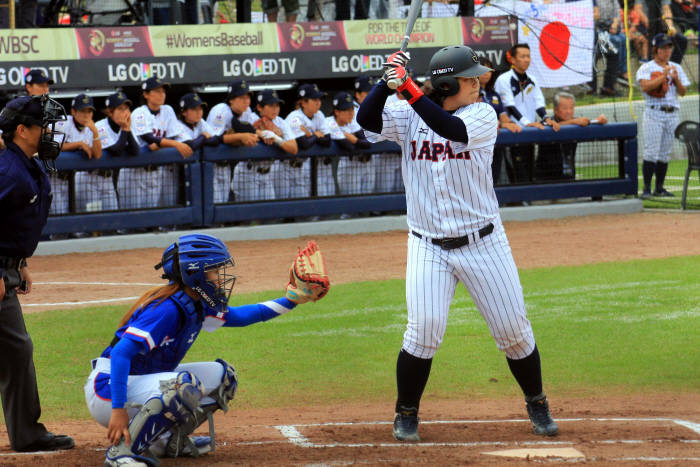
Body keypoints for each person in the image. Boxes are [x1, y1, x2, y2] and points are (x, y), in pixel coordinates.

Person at [357, 45, 558, 442]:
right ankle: (406, 412)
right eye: (469, 79)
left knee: (513, 331)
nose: (479, 83)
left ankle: (536, 401)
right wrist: (385, 82)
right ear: (449, 84)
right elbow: (366, 120)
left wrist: (409, 88)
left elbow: (452, 131)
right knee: (424, 330)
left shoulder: (481, 115)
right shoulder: (407, 113)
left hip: (484, 242)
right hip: (427, 244)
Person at [84, 233, 328, 466]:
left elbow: (242, 316)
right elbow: (120, 354)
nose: (219, 278)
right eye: (214, 271)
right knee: (181, 386)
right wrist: (118, 409)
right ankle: (121, 453)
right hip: (108, 390)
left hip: (140, 384)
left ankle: (168, 443)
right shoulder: (166, 310)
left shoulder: (197, 304)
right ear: (195, 275)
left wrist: (292, 300)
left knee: (223, 378)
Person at [0, 95, 75, 453]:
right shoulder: (8, 170)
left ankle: (27, 433)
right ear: (21, 130)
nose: (50, 133)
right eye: (43, 126)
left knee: (16, 349)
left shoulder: (26, 164)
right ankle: (27, 433)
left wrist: (19, 262)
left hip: (8, 270)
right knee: (15, 348)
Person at [494, 44, 560, 184]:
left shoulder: (533, 79)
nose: (526, 59)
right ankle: (517, 201)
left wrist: (546, 118)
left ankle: (529, 200)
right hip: (512, 132)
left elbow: (539, 103)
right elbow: (509, 106)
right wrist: (525, 122)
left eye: (528, 56)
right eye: (522, 56)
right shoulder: (503, 79)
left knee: (529, 168)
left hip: (530, 131)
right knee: (516, 171)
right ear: (512, 59)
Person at [636, 33, 690, 198]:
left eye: (669, 47)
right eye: (663, 48)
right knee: (651, 152)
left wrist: (675, 79)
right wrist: (663, 76)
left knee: (665, 153)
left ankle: (659, 188)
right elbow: (645, 87)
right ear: (655, 49)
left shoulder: (676, 67)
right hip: (654, 112)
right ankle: (646, 188)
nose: (666, 51)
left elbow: (683, 92)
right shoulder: (646, 67)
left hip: (672, 113)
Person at [131, 77, 190, 209]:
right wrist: (175, 144)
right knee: (133, 219)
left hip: (156, 171)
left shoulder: (167, 110)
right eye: (156, 91)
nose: (161, 94)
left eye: (163, 91)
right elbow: (149, 138)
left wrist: (166, 143)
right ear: (145, 94)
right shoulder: (139, 113)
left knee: (153, 216)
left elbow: (177, 136)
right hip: (135, 172)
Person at [206, 80, 261, 203]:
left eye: (248, 97)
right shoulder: (220, 110)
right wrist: (238, 137)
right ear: (231, 99)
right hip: (211, 166)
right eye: (241, 97)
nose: (246, 101)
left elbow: (252, 132)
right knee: (215, 204)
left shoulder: (247, 112)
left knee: (223, 204)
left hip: (227, 166)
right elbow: (212, 140)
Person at [535, 92, 608, 181]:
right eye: (565, 108)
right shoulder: (547, 122)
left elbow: (592, 121)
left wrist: (600, 119)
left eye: (571, 108)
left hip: (568, 177)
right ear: (555, 110)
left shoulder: (577, 122)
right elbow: (550, 127)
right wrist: (574, 122)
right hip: (545, 178)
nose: (568, 111)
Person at [54, 94, 104, 214]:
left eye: (89, 111)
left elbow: (97, 155)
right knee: (60, 218)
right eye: (82, 111)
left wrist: (95, 133)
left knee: (81, 216)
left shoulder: (92, 127)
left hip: (78, 180)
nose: (86, 115)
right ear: (73, 111)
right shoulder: (63, 122)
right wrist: (79, 144)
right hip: (56, 179)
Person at [477, 56, 521, 186]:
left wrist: (510, 124)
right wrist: (503, 124)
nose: (487, 74)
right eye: (483, 70)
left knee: (495, 175)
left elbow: (504, 116)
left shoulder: (494, 94)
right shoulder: (470, 93)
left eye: (489, 70)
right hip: (479, 143)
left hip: (497, 142)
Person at [282, 84, 330, 197]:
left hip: (301, 167)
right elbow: (303, 144)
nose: (318, 102)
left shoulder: (319, 115)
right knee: (280, 208)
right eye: (314, 99)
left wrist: (311, 135)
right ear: (303, 102)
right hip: (284, 168)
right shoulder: (295, 117)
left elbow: (328, 141)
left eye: (319, 99)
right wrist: (317, 135)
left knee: (301, 203)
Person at [254, 89, 298, 199]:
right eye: (271, 105)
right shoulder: (251, 118)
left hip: (268, 172)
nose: (275, 109)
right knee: (248, 214)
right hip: (248, 171)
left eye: (277, 105)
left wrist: (277, 138)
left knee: (270, 211)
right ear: (260, 107)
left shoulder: (280, 122)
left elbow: (294, 149)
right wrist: (260, 133)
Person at [328, 91, 372, 195]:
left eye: (352, 109)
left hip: (357, 164)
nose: (351, 113)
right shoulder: (330, 123)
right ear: (337, 111)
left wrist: (353, 139)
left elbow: (368, 143)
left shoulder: (351, 122)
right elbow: (350, 147)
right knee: (348, 203)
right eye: (346, 110)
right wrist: (355, 140)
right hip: (345, 166)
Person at [592, 0, 626, 96]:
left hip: (609, 29)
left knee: (622, 40)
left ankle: (618, 75)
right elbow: (596, 17)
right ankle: (594, 89)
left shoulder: (613, 1)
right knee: (616, 41)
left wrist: (614, 25)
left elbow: (617, 15)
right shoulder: (593, 1)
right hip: (597, 31)